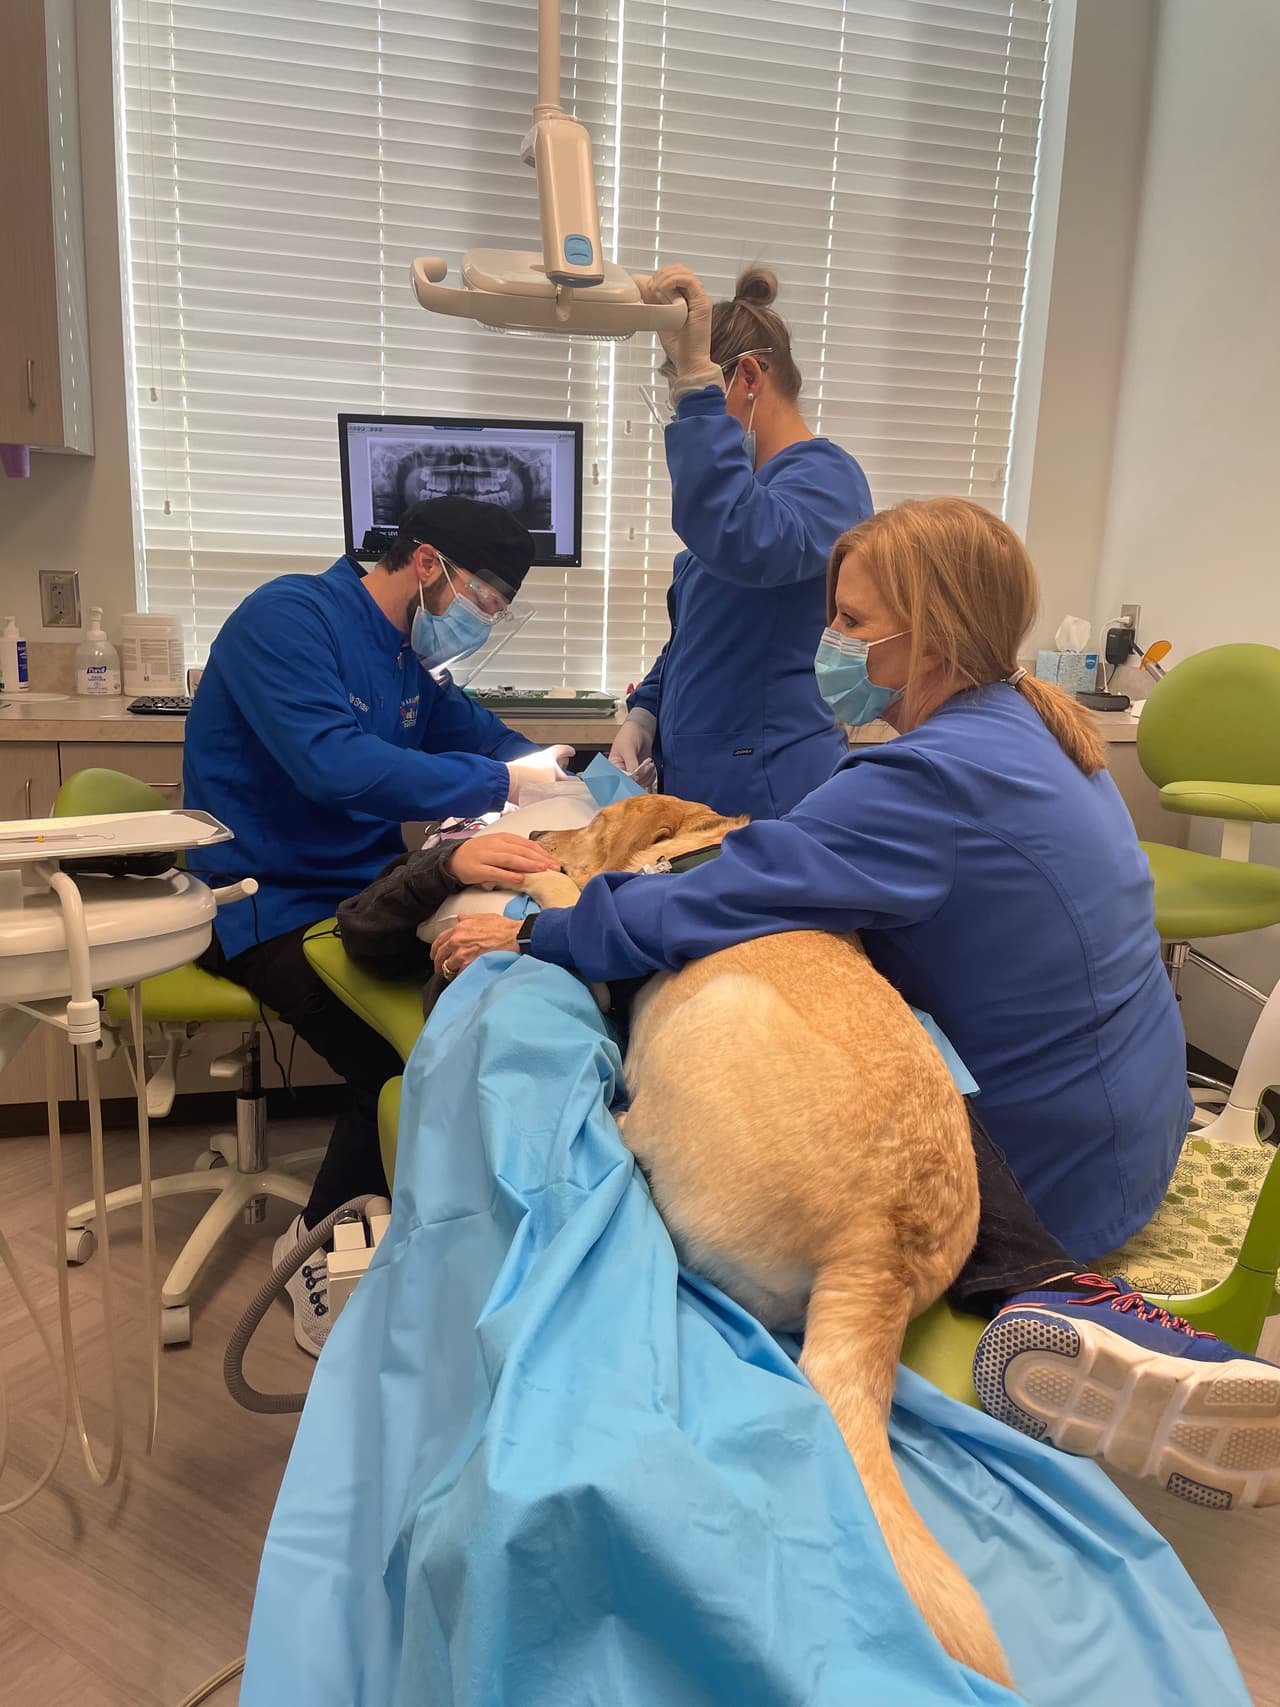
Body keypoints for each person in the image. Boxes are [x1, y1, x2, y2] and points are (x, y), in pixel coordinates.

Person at [432, 497, 1280, 1506]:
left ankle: (1054, 1297)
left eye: (849, 621)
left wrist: (542, 929)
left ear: (924, 633)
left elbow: (722, 895)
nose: (828, 642)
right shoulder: (1033, 730)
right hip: (1135, 1128)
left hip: (1046, 1178)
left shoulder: (926, 776)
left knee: (814, 1035)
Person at [183, 496, 565, 1354]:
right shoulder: (286, 619)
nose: (481, 621)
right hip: (262, 900)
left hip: (362, 891)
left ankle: (436, 1230)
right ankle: (315, 1243)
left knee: (470, 1011)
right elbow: (334, 766)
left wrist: (570, 774)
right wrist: (500, 788)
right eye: (485, 601)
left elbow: (486, 739)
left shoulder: (409, 661)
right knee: (395, 1052)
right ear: (426, 564)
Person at [609, 265, 872, 818]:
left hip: (770, 783)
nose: (686, 421)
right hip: (710, 778)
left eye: (696, 399)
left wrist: (697, 393)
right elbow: (698, 639)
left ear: (748, 377)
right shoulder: (748, 493)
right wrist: (645, 714)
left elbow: (743, 540)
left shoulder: (827, 479)